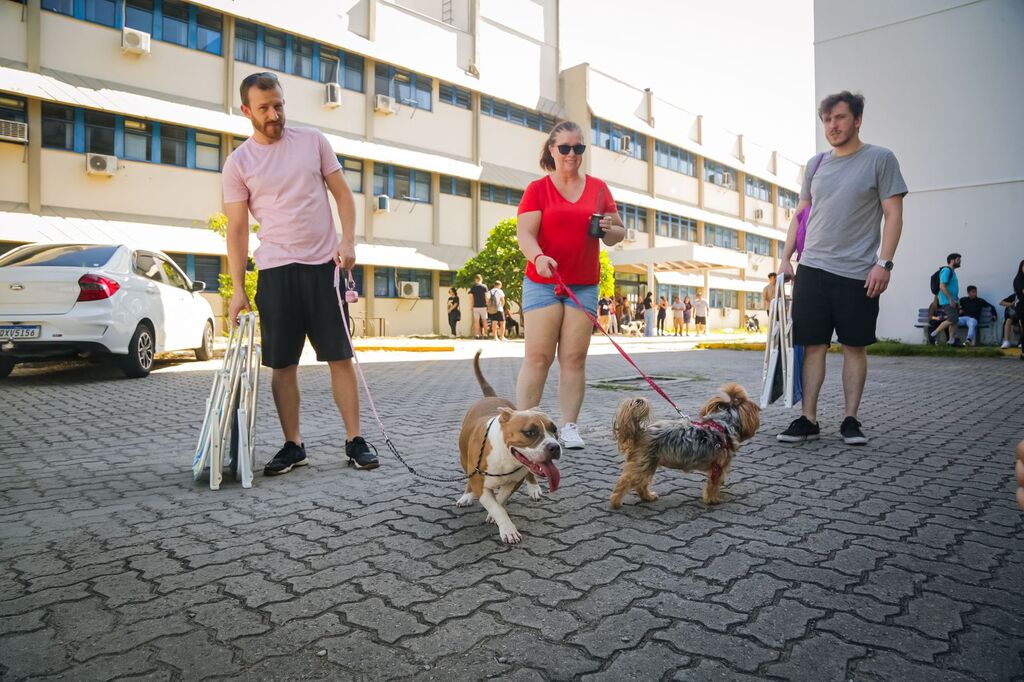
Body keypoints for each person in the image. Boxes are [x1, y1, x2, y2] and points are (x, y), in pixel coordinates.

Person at [222, 72, 378, 474]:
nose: (274, 114)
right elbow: (237, 229)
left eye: (278, 105)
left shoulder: (313, 141)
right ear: (246, 111)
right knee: (282, 363)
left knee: (340, 357)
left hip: (324, 268)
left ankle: (354, 439)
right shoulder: (238, 162)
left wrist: (348, 242)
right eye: (264, 108)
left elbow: (343, 194)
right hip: (275, 272)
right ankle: (294, 445)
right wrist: (238, 289)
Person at [776, 90, 907, 446]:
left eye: (840, 118)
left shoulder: (880, 159)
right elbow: (801, 214)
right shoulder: (815, 164)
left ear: (857, 120)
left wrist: (885, 263)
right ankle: (808, 419)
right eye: (827, 120)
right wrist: (785, 257)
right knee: (812, 345)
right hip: (813, 269)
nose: (832, 126)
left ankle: (850, 419)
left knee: (854, 346)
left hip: (858, 272)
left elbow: (894, 213)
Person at [515, 120, 625, 450]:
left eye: (578, 148)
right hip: (543, 281)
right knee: (538, 357)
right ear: (552, 149)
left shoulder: (599, 189)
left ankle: (569, 427)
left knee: (574, 358)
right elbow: (525, 234)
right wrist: (538, 258)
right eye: (565, 148)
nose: (572, 154)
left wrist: (609, 228)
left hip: (584, 285)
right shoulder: (538, 189)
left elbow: (617, 234)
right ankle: (524, 423)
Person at [929, 253, 962, 346]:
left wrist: (956, 299)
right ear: (952, 261)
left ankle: (951, 340)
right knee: (952, 319)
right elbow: (942, 286)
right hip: (947, 300)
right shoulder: (946, 270)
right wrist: (950, 299)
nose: (960, 262)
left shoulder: (952, 271)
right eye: (958, 260)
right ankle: (934, 333)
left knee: (954, 320)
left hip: (953, 299)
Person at [470, 274, 488, 339]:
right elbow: (487, 297)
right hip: (483, 306)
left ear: (475, 279)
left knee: (476, 321)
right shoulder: (484, 287)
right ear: (481, 279)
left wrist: (471, 306)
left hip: (476, 306)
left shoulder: (473, 287)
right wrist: (487, 305)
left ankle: (477, 334)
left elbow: (471, 297)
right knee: (485, 320)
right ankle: (486, 334)